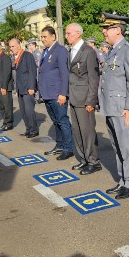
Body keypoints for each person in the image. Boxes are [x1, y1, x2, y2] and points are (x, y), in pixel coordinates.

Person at [99, 13, 129, 199]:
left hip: (122, 108)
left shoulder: (127, 51)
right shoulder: (113, 51)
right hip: (111, 107)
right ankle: (123, 180)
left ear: (117, 30)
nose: (104, 32)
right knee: (118, 147)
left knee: (127, 147)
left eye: (107, 28)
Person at [65, 23, 101, 175]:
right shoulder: (70, 51)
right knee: (77, 130)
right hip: (73, 97)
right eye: (66, 33)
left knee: (87, 132)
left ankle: (93, 161)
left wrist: (91, 101)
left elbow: (94, 78)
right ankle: (84, 159)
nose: (66, 36)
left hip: (84, 98)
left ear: (78, 34)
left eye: (69, 33)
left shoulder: (88, 52)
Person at [38, 26, 74, 160]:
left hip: (57, 93)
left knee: (63, 121)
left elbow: (65, 74)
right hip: (47, 93)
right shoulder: (46, 51)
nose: (43, 39)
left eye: (45, 37)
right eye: (41, 37)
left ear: (53, 36)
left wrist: (63, 93)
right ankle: (59, 145)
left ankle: (68, 148)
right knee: (56, 121)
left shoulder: (60, 50)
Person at [9, 38, 38, 138]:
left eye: (13, 46)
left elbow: (32, 71)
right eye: (10, 46)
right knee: (23, 111)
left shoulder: (27, 55)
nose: (11, 48)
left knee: (29, 110)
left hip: (27, 87)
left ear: (18, 45)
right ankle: (28, 129)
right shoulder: (14, 57)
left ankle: (34, 130)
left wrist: (31, 86)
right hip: (20, 88)